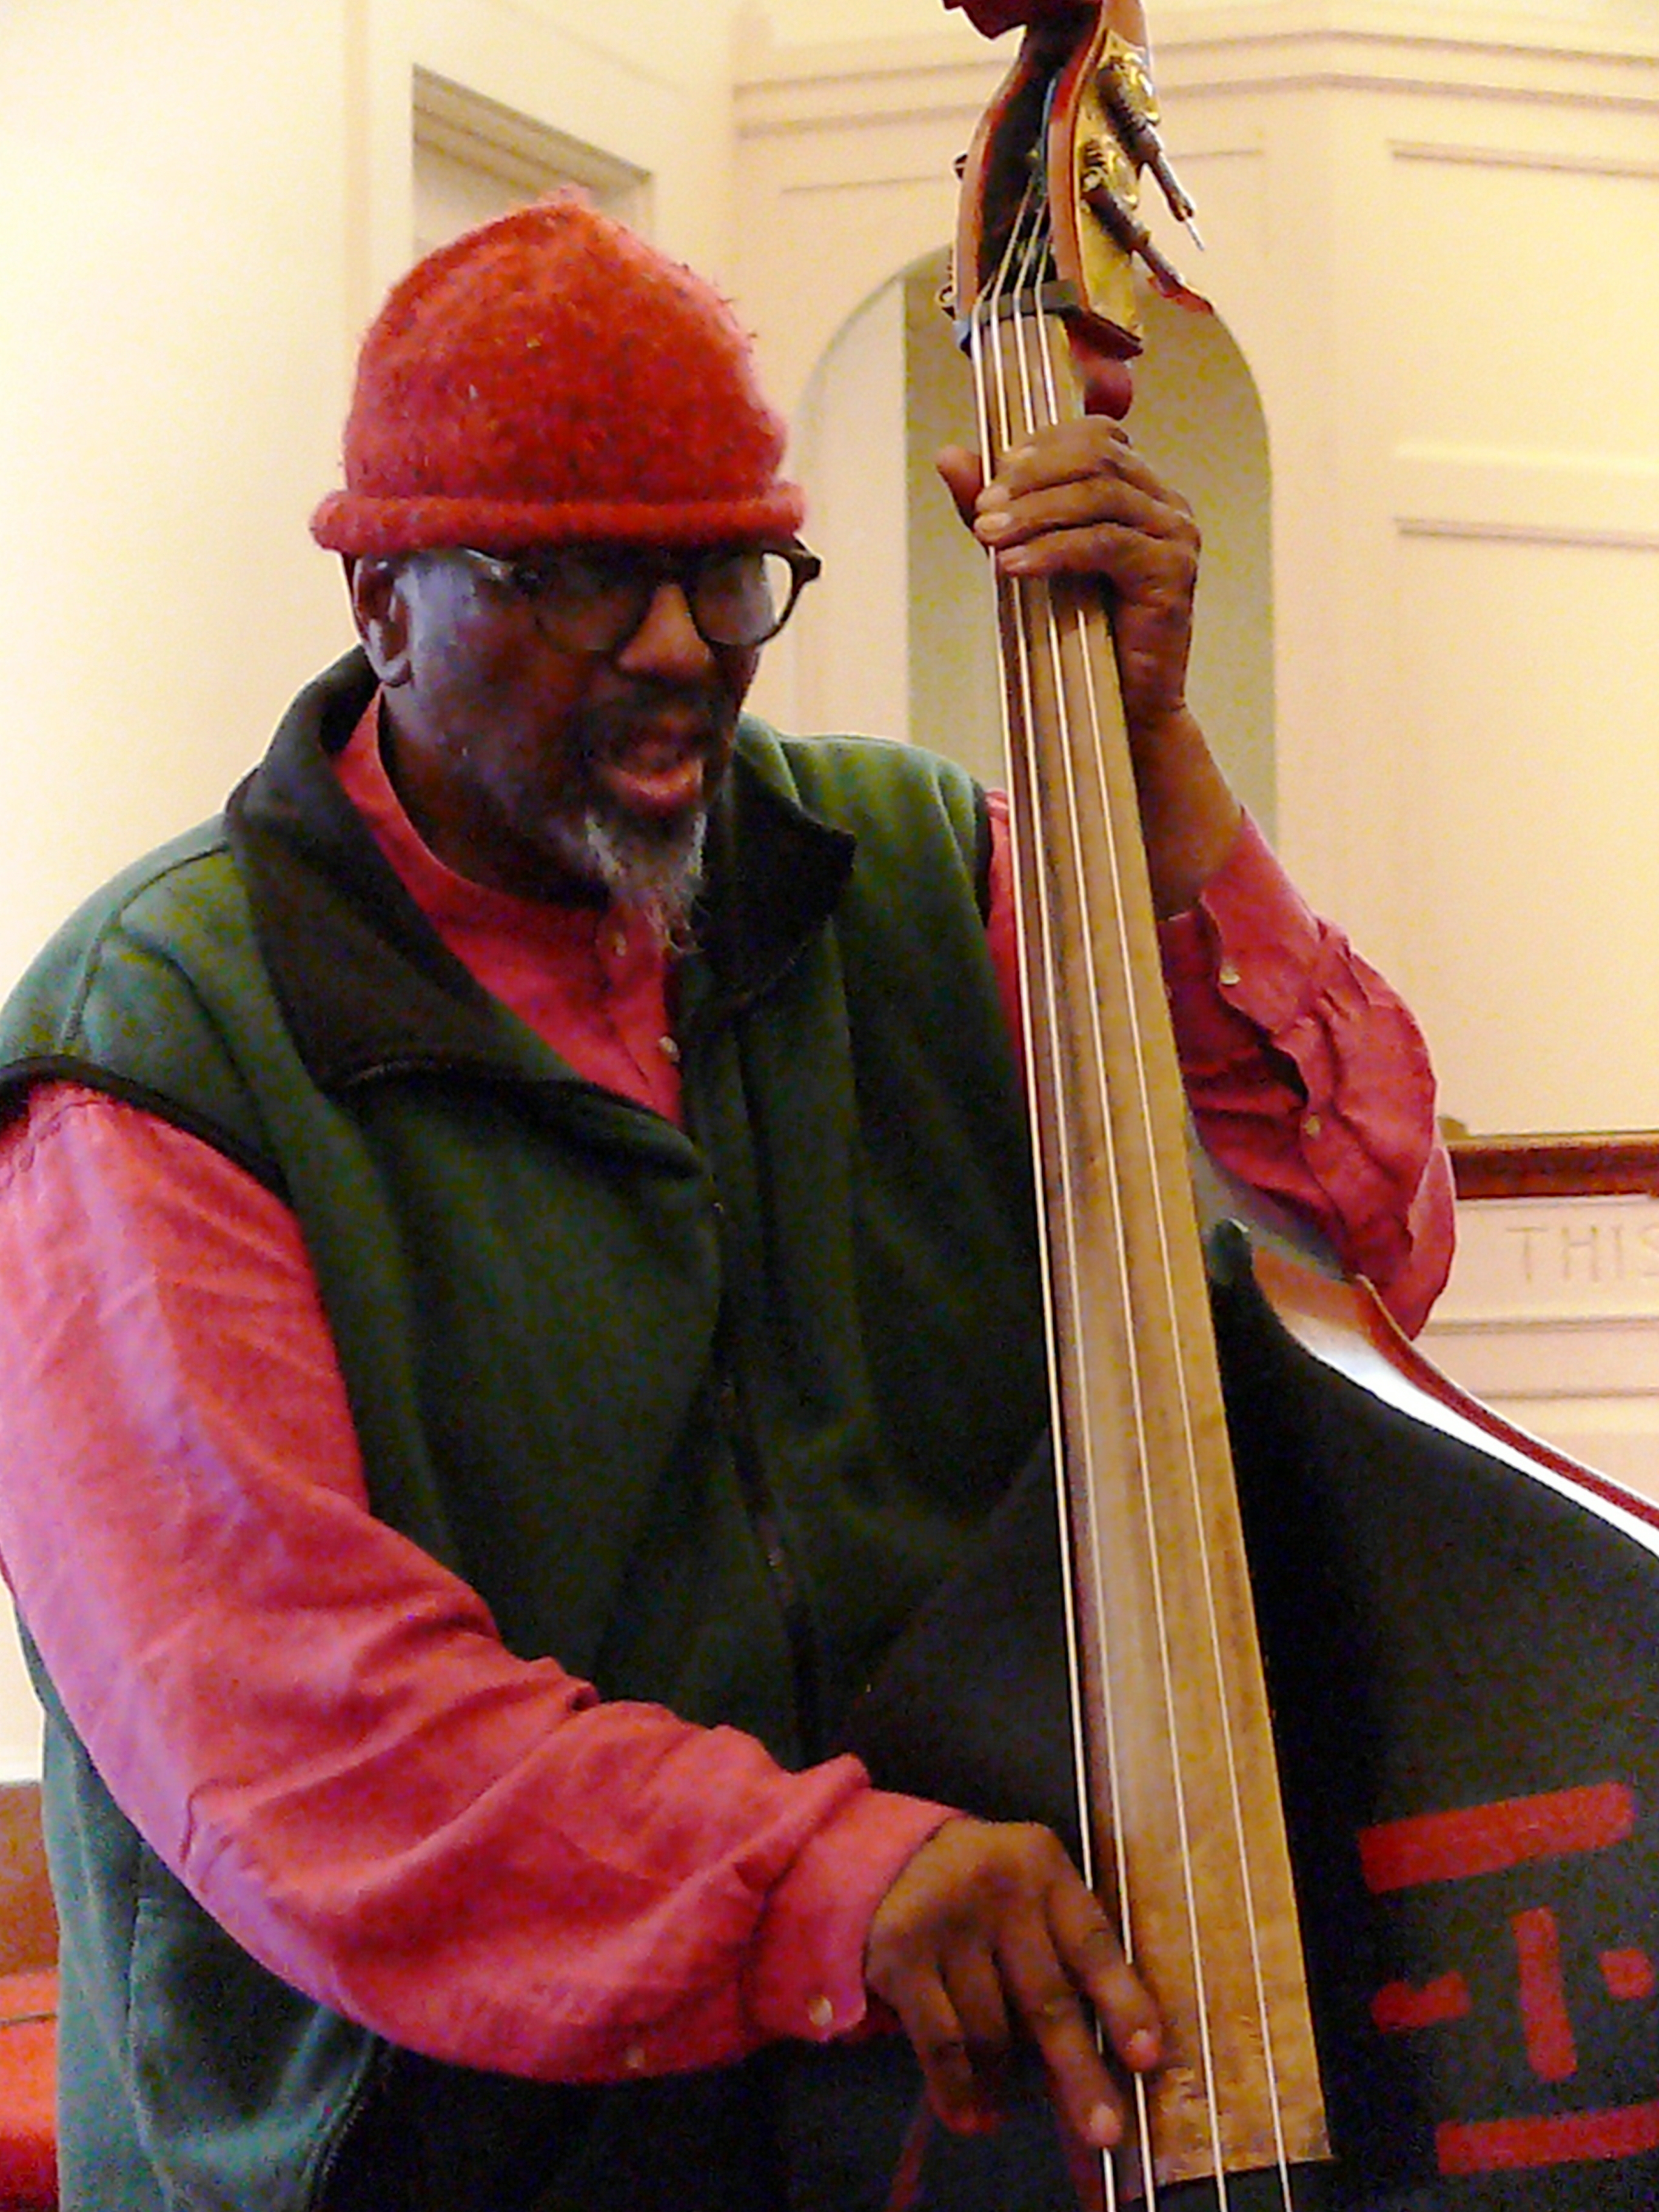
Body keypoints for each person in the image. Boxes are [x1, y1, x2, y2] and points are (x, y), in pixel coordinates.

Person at [0, 198, 1451, 2211]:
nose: (684, 648)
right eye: (584, 575)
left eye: (730, 572)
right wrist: (834, 1877)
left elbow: (1349, 1246)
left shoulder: (922, 869)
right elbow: (305, 1745)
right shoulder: (158, 1040)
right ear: (383, 602)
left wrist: (1156, 763)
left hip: (904, 2146)